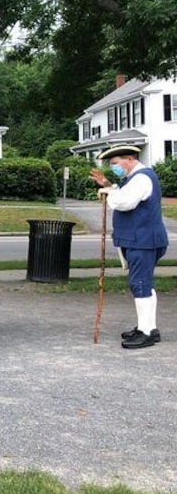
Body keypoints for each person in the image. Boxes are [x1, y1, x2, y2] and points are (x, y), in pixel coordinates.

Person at [90, 145, 168, 349]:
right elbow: (124, 193)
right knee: (144, 284)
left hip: (143, 241)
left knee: (140, 284)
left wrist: (108, 193)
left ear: (130, 159)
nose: (113, 167)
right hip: (141, 240)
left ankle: (146, 332)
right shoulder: (135, 178)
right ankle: (149, 328)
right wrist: (108, 185)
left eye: (115, 163)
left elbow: (125, 202)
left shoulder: (142, 178)